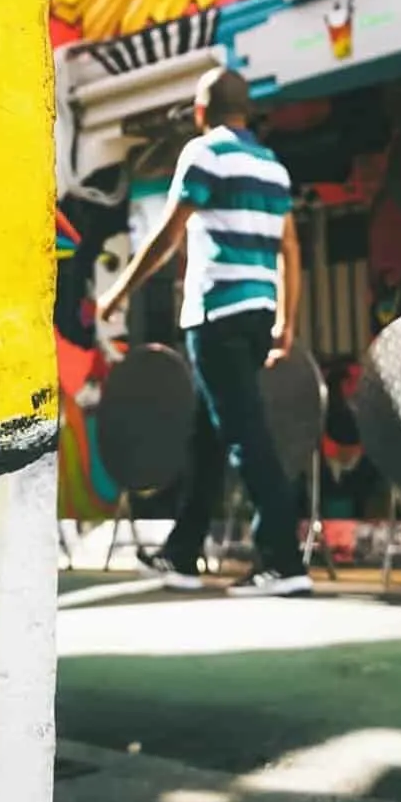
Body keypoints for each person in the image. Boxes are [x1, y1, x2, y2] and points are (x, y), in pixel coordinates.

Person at [97, 67, 311, 597]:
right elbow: (290, 249)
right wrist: (287, 319)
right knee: (210, 436)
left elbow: (169, 233)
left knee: (243, 435)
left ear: (201, 111)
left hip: (217, 314)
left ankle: (284, 560)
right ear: (247, 111)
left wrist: (118, 292)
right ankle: (183, 554)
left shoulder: (203, 153)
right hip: (259, 311)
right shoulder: (273, 168)